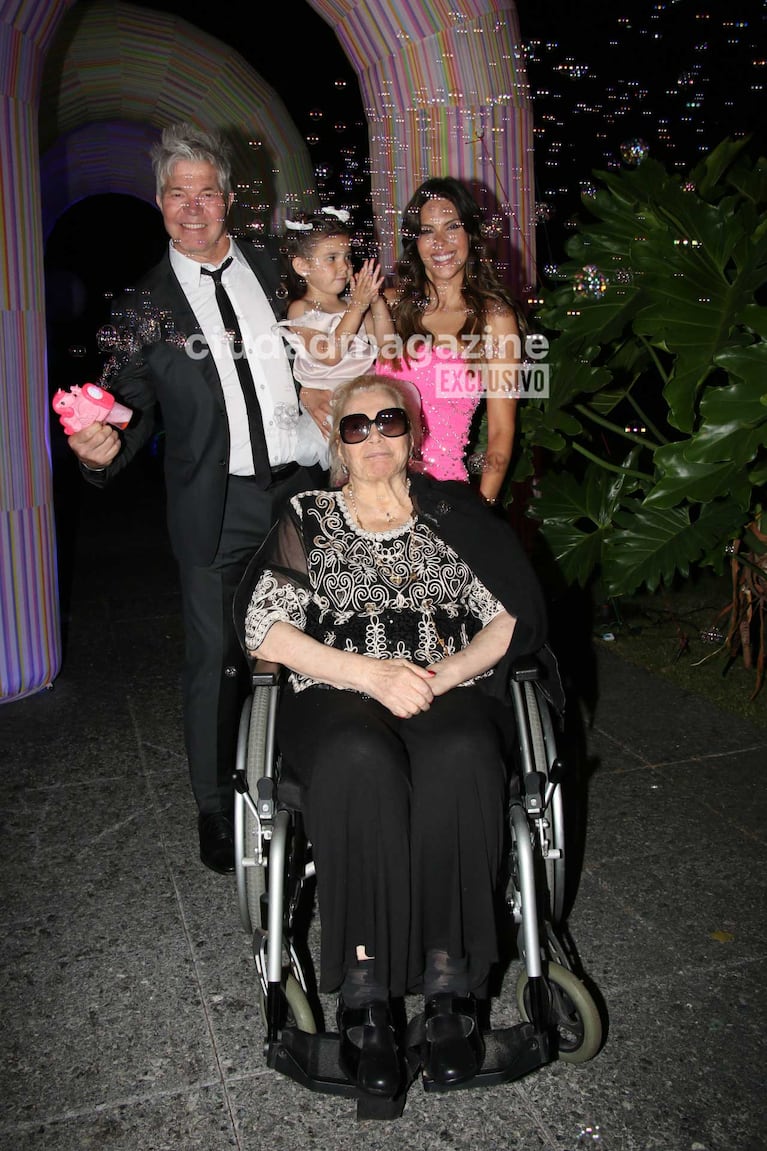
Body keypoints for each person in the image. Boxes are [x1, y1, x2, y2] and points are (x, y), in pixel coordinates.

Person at [243, 374, 546, 1098]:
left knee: (463, 751)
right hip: (337, 687)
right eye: (355, 426)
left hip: (445, 681)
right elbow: (266, 627)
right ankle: (364, 992)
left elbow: (508, 614)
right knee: (357, 756)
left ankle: (450, 992)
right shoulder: (307, 513)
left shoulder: (453, 510)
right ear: (336, 442)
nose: (374, 436)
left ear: (411, 434)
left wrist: (441, 676)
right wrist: (370, 675)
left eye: (389, 421)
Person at [66, 122, 325, 875]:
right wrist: (98, 449)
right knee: (215, 658)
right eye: (176, 193)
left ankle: (313, 780)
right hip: (216, 506)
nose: (191, 206)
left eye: (204, 192)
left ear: (227, 200)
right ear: (159, 201)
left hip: (300, 493)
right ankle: (215, 806)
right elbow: (123, 406)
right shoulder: (143, 306)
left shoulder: (278, 269)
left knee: (314, 642)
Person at [377, 176, 525, 505]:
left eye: (452, 226)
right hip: (373, 490)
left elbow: (501, 431)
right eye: (427, 230)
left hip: (443, 496)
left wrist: (481, 511)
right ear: (414, 241)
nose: (440, 242)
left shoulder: (494, 318)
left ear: (471, 234)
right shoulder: (387, 304)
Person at [276, 209, 394, 432]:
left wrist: (376, 301)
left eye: (347, 257)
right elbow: (330, 355)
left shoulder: (352, 305)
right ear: (302, 266)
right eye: (332, 258)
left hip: (368, 398)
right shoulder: (301, 309)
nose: (345, 266)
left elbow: (386, 345)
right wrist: (358, 306)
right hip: (332, 407)